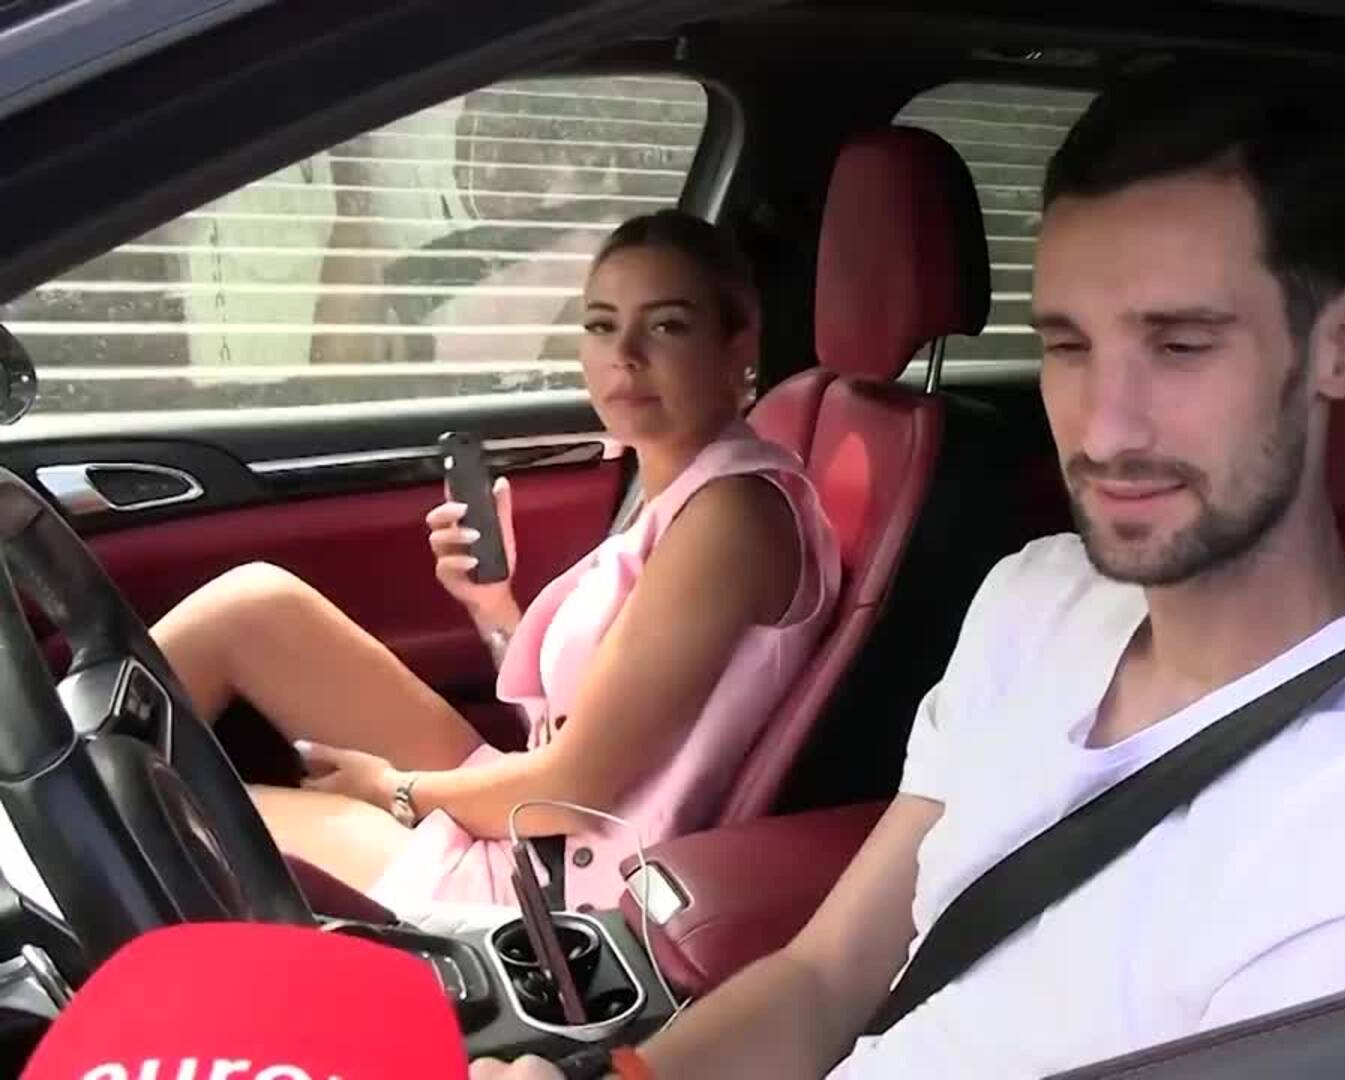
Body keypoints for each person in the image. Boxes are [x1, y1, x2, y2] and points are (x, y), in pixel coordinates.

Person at [474, 78, 1345, 1080]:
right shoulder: (1036, 597)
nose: (1104, 431)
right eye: (1067, 347)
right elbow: (822, 978)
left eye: (1181, 346)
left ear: (1341, 344)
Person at [154, 210, 842, 914]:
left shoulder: (732, 516)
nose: (625, 354)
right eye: (601, 324)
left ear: (738, 343)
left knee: (164, 815)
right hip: (540, 813)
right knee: (254, 606)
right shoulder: (681, 485)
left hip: (552, 882)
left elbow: (577, 786)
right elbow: (583, 723)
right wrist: (494, 608)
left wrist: (394, 791)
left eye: (667, 326)